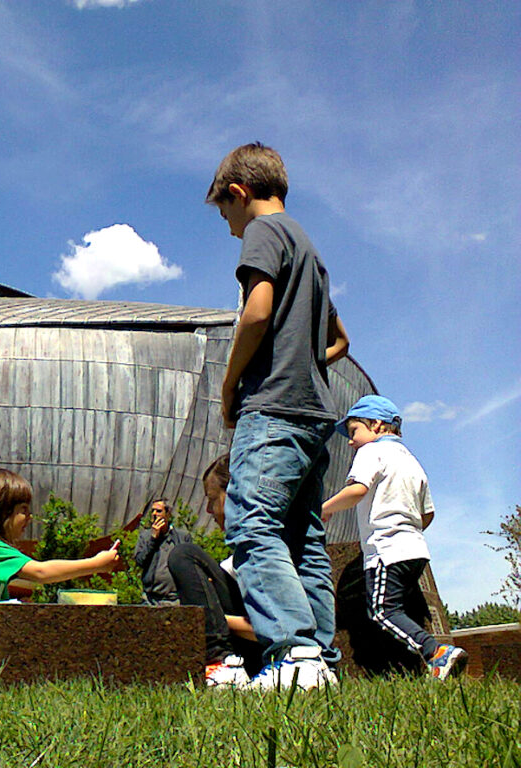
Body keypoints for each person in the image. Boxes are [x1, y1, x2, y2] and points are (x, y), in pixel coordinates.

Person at [206, 142, 350, 690]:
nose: (230, 228)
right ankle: (320, 661)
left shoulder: (264, 233)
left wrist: (229, 384)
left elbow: (257, 311)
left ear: (239, 194)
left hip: (273, 407)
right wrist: (305, 360)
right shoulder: (311, 252)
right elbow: (340, 340)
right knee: (303, 539)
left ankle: (293, 655)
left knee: (251, 524)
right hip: (316, 413)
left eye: (226, 215)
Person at [322, 395, 468, 679]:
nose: (350, 441)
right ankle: (425, 666)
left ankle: (437, 653)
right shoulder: (412, 461)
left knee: (381, 611)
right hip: (415, 550)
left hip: (386, 549)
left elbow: (357, 490)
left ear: (376, 425)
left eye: (353, 431)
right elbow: (428, 514)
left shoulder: (370, 452)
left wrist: (324, 509)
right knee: (401, 609)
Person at [0, 468, 119, 603]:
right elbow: (40, 572)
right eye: (23, 510)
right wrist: (96, 564)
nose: (30, 518)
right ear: (1, 512)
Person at [165, 455, 262, 687]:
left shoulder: (269, 556)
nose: (207, 510)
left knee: (184, 554)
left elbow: (273, 630)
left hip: (266, 655)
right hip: (244, 648)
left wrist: (214, 619)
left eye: (212, 499)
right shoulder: (232, 563)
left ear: (233, 496)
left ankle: (221, 661)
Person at [133, 499, 191, 605]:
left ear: (168, 514)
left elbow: (189, 565)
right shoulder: (145, 536)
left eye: (158, 511)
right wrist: (153, 539)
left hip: (175, 599)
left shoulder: (182, 537)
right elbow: (140, 561)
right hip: (151, 599)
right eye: (153, 511)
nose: (154, 514)